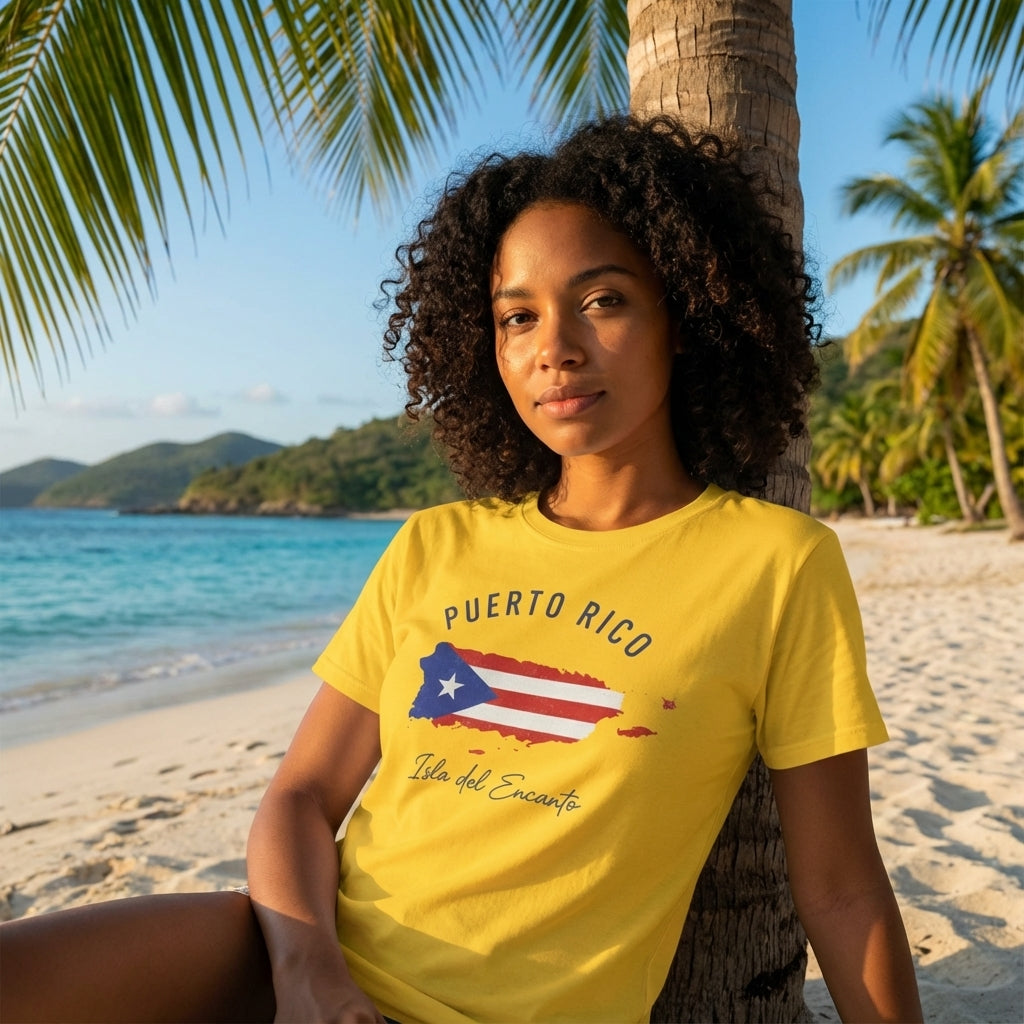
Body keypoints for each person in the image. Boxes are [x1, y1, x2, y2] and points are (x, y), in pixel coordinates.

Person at [0, 115, 922, 1023]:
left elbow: (841, 891)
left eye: (602, 300)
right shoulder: (432, 545)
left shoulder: (776, 563)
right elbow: (301, 797)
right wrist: (310, 973)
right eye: (517, 317)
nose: (554, 347)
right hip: (297, 959)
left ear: (681, 314)